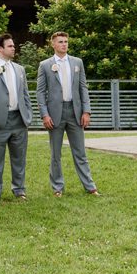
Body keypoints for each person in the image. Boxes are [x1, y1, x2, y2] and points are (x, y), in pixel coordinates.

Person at [36, 31, 99, 197]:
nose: (64, 44)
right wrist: (44, 114)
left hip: (75, 112)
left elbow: (83, 88)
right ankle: (57, 188)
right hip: (55, 114)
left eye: (66, 41)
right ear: (53, 44)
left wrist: (86, 111)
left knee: (80, 152)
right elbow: (40, 92)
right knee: (55, 154)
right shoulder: (45, 65)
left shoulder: (77, 62)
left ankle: (90, 187)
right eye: (60, 42)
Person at [0, 33, 32, 202]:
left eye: (13, 45)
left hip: (19, 119)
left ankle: (19, 190)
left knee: (19, 158)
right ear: (0, 49)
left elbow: (25, 94)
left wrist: (28, 115)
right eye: (10, 46)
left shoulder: (19, 69)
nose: (14, 48)